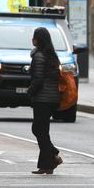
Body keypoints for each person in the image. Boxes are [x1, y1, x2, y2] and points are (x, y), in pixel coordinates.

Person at [27, 27, 63, 174]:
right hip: (52, 97)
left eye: (34, 37)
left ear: (38, 40)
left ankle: (52, 157)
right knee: (42, 130)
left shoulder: (39, 56)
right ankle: (48, 163)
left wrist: (30, 92)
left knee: (38, 129)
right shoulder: (52, 56)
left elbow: (38, 79)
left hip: (43, 98)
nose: (32, 39)